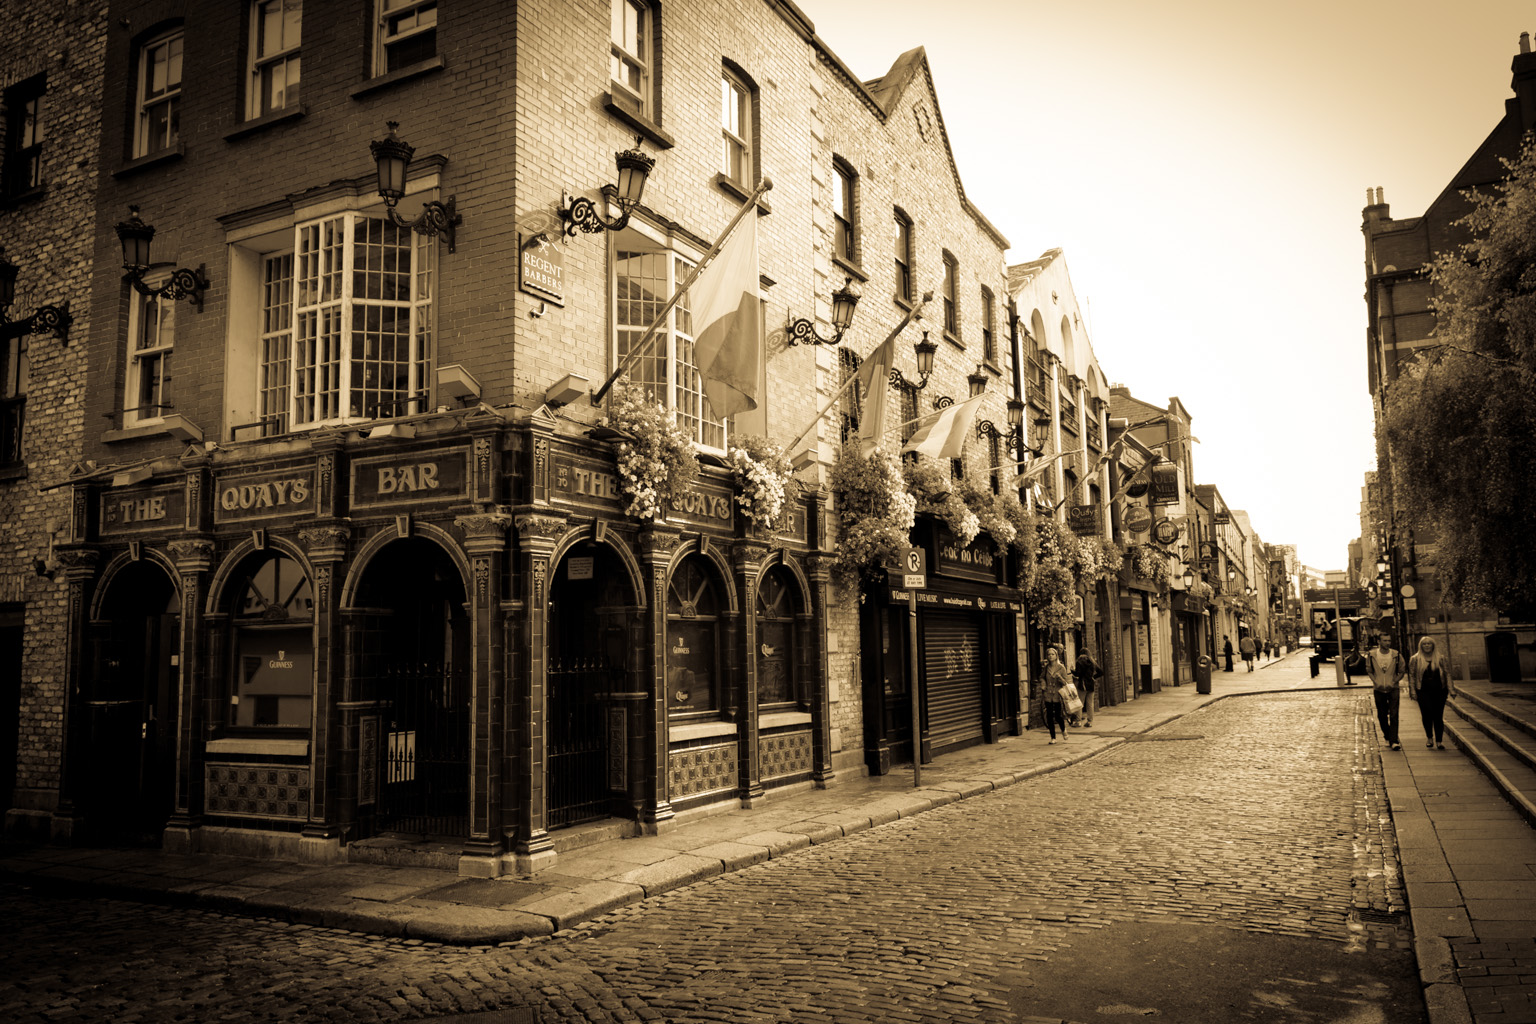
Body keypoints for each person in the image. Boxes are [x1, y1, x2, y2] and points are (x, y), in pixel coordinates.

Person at [1409, 636, 1451, 749]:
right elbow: (1412, 676)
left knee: (1438, 715)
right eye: (1424, 644)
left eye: (1429, 644)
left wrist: (1451, 689)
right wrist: (1412, 691)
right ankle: (1429, 738)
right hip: (1423, 692)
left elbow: (1447, 674)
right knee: (1427, 715)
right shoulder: (1415, 659)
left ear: (1433, 645)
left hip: (1439, 691)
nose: (1427, 646)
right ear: (1421, 646)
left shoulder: (1441, 658)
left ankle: (1439, 741)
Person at [1366, 633, 1407, 750]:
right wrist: (1375, 681)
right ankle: (1387, 736)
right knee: (1382, 715)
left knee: (1394, 714)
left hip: (1393, 689)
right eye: (1384, 640)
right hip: (1378, 689)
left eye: (1389, 640)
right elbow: (1369, 670)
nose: (1387, 643)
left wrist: (1395, 681)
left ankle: (1394, 741)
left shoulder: (1396, 655)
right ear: (1379, 641)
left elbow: (1402, 670)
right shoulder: (1372, 654)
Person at [1042, 646, 1073, 744]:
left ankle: (1063, 730)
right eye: (1049, 654)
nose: (1050, 656)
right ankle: (1053, 737)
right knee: (1050, 716)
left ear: (1056, 656)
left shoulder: (1061, 667)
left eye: (1052, 654)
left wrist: (1059, 677)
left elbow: (1065, 682)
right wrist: (1043, 684)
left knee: (1059, 716)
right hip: (1048, 694)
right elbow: (1042, 677)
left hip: (1057, 694)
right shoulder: (1046, 667)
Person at [1073, 650, 1102, 728]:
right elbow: (1100, 672)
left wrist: (1072, 671)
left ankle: (1078, 721)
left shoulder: (1079, 662)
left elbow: (1078, 674)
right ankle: (1089, 721)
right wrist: (1093, 677)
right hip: (1090, 684)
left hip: (1082, 685)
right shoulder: (1092, 662)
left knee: (1080, 703)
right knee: (1090, 704)